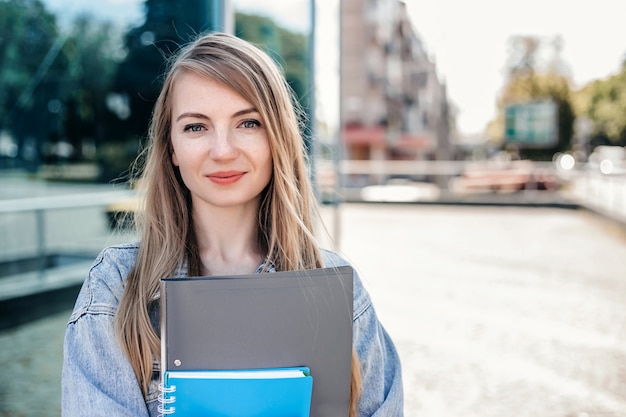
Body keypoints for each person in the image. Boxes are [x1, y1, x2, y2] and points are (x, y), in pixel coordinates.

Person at [62, 32, 403, 416]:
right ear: (171, 148)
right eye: (196, 127)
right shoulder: (116, 289)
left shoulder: (342, 294)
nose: (223, 151)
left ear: (278, 139)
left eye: (248, 123)